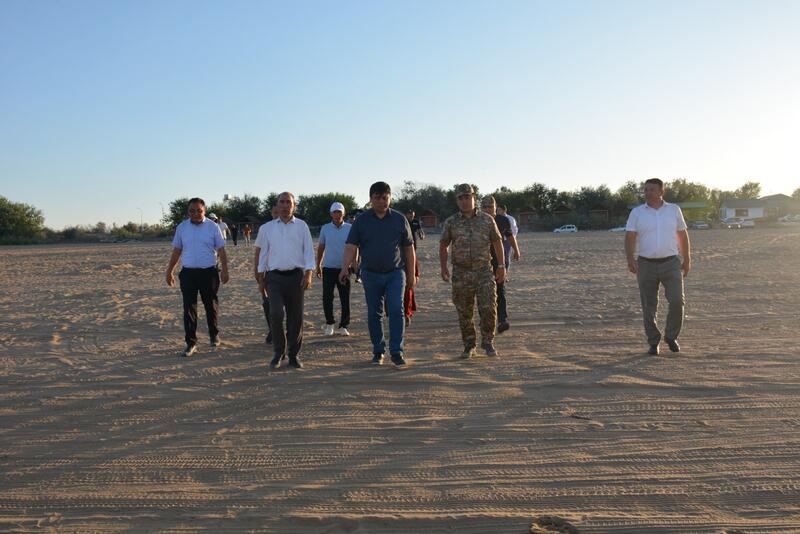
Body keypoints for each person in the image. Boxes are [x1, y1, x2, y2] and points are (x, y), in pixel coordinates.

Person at [340, 182, 416, 367]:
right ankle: (378, 350)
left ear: (390, 198)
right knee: (374, 312)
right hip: (370, 274)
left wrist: (411, 274)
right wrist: (344, 268)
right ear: (371, 199)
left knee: (396, 310)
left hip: (395, 273)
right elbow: (351, 246)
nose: (381, 201)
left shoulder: (399, 219)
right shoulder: (361, 221)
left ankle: (396, 351)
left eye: (385, 197)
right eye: (377, 198)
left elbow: (409, 248)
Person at [625, 178, 691, 355]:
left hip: (671, 263)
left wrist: (687, 259)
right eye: (646, 190)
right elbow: (630, 236)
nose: (648, 193)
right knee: (649, 305)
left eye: (652, 190)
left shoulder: (674, 210)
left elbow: (682, 235)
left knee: (677, 300)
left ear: (661, 192)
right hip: (645, 264)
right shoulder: (637, 213)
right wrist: (630, 258)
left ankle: (671, 336)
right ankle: (653, 342)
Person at [439, 184, 505, 359]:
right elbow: (444, 245)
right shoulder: (451, 222)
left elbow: (497, 242)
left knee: (489, 307)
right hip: (461, 273)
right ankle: (469, 345)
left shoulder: (487, 220)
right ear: (457, 201)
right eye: (460, 198)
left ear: (474, 198)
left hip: (484, 272)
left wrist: (501, 266)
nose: (464, 201)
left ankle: (488, 342)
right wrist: (444, 267)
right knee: (464, 311)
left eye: (467, 197)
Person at [256, 193, 315, 369]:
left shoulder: (302, 226)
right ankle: (278, 352)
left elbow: (308, 251)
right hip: (274, 277)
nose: (285, 205)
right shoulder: (267, 228)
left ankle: (293, 354)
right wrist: (261, 278)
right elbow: (263, 254)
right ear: (276, 205)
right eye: (281, 202)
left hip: (296, 277)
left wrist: (308, 274)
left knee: (295, 317)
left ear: (294, 205)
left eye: (288, 202)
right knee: (275, 313)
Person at [165, 198, 229, 357]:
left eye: (199, 211)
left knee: (210, 305)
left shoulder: (213, 227)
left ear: (204, 211)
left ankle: (214, 334)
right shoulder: (182, 228)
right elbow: (177, 251)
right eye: (192, 211)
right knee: (189, 307)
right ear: (188, 212)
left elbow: (221, 250)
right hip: (188, 274)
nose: (195, 214)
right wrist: (169, 271)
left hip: (209, 273)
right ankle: (190, 343)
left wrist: (225, 270)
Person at [481, 196, 521, 334]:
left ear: (495, 207)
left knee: (500, 289)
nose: (488, 209)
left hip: (499, 260)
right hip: (482, 262)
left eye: (490, 207)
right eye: (485, 207)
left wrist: (516, 250)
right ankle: (486, 320)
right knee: (484, 293)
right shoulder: (477, 221)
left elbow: (510, 236)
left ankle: (502, 320)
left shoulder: (503, 220)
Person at [316, 202, 353, 336]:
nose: (337, 215)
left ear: (343, 213)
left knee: (345, 298)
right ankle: (329, 323)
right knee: (327, 297)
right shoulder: (325, 228)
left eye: (339, 212)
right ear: (331, 214)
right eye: (335, 212)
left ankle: (344, 325)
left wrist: (354, 264)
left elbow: (354, 247)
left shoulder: (350, 228)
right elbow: (321, 247)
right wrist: (318, 265)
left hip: (344, 268)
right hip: (328, 267)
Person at [253, 206, 279, 345]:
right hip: (268, 272)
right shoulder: (265, 228)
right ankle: (272, 330)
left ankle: (280, 331)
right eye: (275, 212)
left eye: (279, 212)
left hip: (285, 273)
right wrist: (257, 270)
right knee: (267, 303)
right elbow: (258, 251)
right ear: (271, 213)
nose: (277, 215)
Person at [403, 209, 424, 326]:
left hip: (411, 251)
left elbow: (420, 231)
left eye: (412, 214)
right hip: (395, 262)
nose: (411, 215)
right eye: (409, 213)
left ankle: (406, 313)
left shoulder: (415, 222)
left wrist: (415, 274)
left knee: (408, 289)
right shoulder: (402, 222)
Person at [496, 205, 518, 270]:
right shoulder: (496, 218)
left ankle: (506, 270)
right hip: (498, 240)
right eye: (497, 210)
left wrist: (511, 239)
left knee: (506, 256)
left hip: (507, 240)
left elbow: (514, 230)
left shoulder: (510, 219)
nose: (498, 211)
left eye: (499, 210)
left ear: (504, 210)